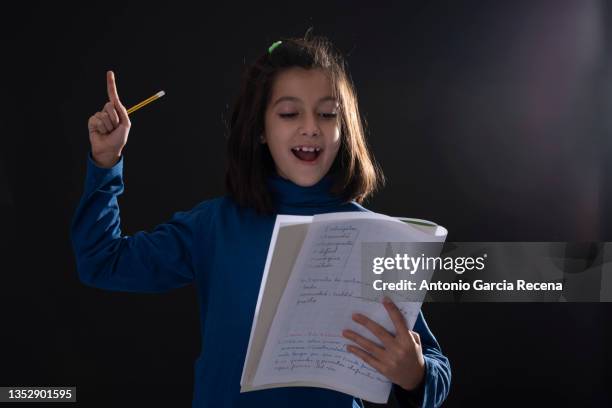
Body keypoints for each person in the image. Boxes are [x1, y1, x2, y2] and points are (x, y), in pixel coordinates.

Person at [71, 32, 451, 408]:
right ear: (260, 131)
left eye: (327, 113)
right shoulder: (214, 226)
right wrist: (105, 164)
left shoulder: (376, 237)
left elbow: (435, 367)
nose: (310, 127)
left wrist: (415, 374)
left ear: (343, 128)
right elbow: (102, 262)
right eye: (289, 113)